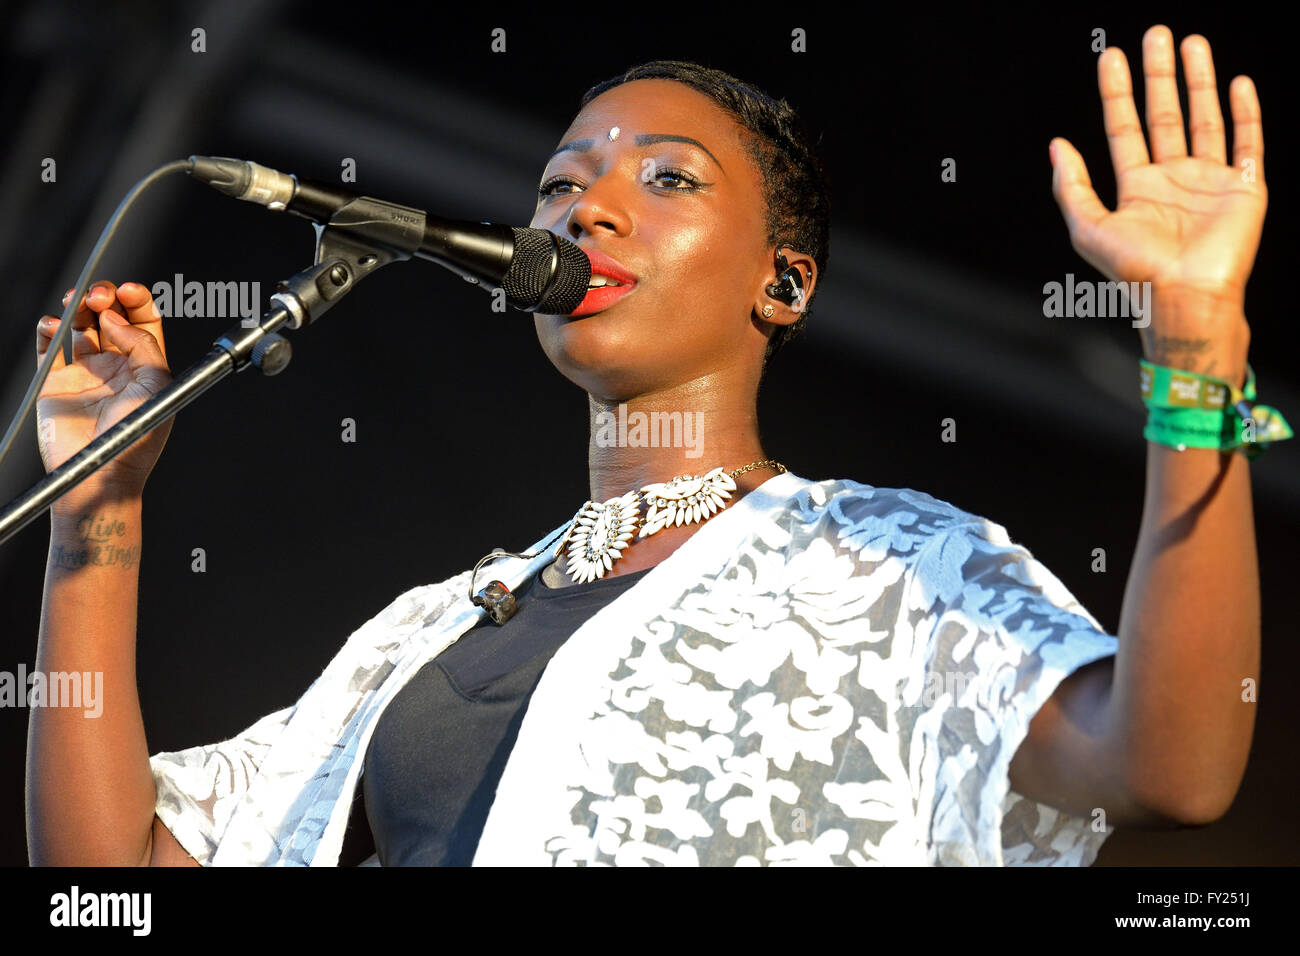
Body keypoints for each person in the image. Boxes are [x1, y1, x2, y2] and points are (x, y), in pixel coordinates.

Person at [26, 26, 1269, 866]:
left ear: (782, 283)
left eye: (668, 178)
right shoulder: (430, 630)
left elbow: (1172, 758)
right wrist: (99, 513)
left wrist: (1200, 341)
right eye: (560, 186)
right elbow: (114, 882)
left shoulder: (893, 566)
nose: (590, 207)